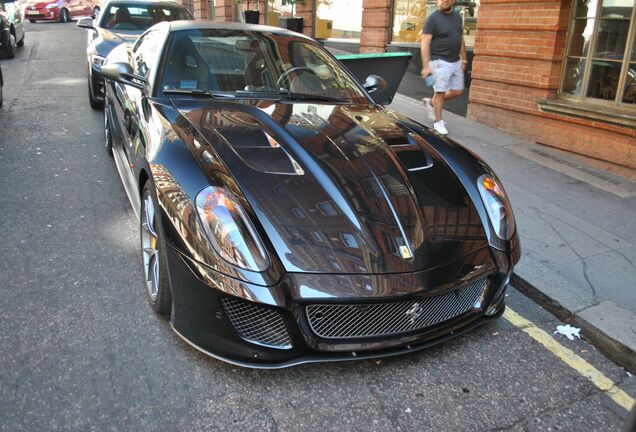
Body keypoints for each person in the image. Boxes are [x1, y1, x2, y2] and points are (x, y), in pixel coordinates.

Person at [420, 0, 467, 135]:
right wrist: (426, 66)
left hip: (455, 61)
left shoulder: (457, 17)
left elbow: (460, 38)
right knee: (440, 92)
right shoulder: (432, 18)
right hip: (439, 61)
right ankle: (438, 122)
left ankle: (431, 102)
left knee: (458, 91)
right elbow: (425, 43)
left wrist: (464, 59)